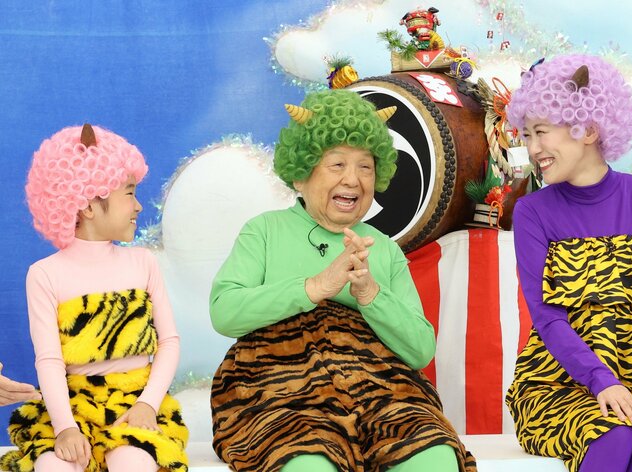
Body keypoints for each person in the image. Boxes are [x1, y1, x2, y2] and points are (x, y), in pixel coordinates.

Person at [210, 89, 476, 472]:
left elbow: (420, 349)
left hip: (381, 391)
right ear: (301, 174)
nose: (353, 179)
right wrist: (315, 287)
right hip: (279, 390)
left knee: (434, 457)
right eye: (337, 164)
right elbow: (225, 312)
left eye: (365, 166)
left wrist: (370, 294)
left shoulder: (384, 250)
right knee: (308, 464)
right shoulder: (264, 231)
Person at [505, 54, 632, 472]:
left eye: (541, 132)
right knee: (614, 433)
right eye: (527, 135)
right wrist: (601, 381)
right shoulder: (532, 212)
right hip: (557, 385)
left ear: (587, 129)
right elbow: (546, 316)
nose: (532, 148)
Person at [0, 125, 188, 472]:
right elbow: (50, 360)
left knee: (133, 462)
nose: (138, 205)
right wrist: (65, 428)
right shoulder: (45, 274)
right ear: (87, 205)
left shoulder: (143, 263)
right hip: (74, 407)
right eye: (129, 193)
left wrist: (148, 404)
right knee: (53, 466)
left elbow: (169, 342)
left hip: (135, 402)